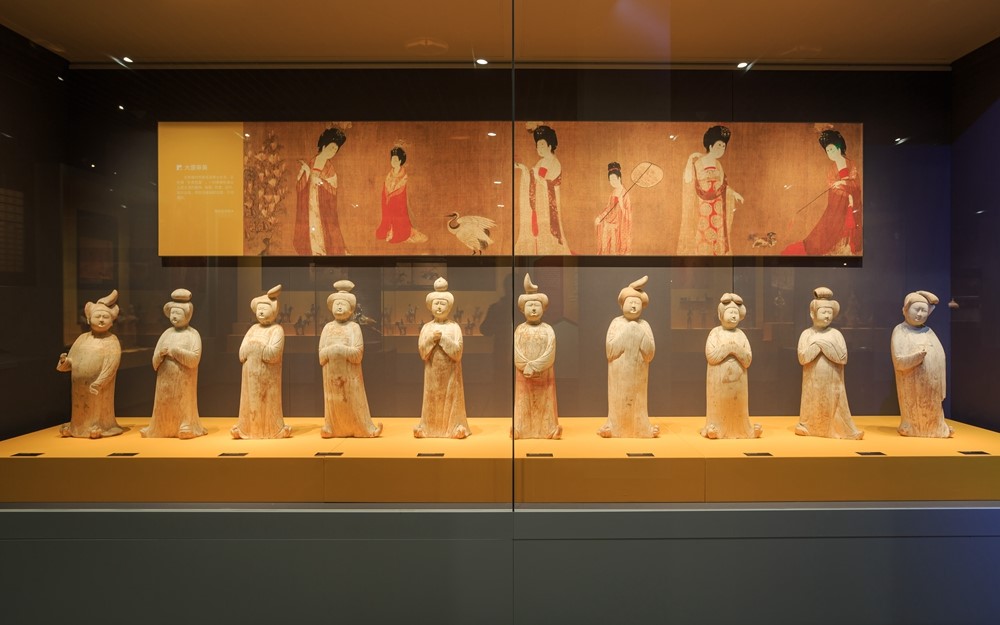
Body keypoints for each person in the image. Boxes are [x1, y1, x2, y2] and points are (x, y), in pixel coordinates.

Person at [782, 129, 863, 256]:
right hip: (837, 205)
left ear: (839, 148)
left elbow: (855, 184)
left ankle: (846, 249)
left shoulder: (850, 164)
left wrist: (843, 183)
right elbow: (832, 184)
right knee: (829, 228)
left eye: (832, 149)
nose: (830, 153)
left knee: (848, 230)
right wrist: (839, 185)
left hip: (851, 203)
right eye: (827, 151)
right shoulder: (832, 169)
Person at [794, 288, 862, 439]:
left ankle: (834, 428)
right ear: (812, 314)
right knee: (813, 403)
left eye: (830, 313)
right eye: (823, 312)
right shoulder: (806, 334)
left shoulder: (836, 334)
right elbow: (803, 358)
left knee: (832, 405)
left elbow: (843, 358)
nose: (827, 316)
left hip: (833, 381)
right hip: (812, 382)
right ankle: (809, 426)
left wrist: (824, 346)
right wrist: (817, 346)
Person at [56, 290, 124, 438]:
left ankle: (100, 426)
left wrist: (99, 382)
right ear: (88, 319)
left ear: (112, 322)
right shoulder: (82, 338)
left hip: (99, 387)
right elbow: (71, 362)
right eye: (97, 316)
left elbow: (111, 366)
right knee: (79, 407)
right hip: (79, 386)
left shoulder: (112, 340)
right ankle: (77, 427)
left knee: (97, 407)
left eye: (105, 317)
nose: (101, 320)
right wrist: (64, 361)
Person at [319, 280, 382, 438]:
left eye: (343, 304)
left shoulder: (354, 328)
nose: (339, 307)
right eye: (336, 304)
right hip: (331, 375)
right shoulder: (327, 328)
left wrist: (339, 350)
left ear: (351, 309)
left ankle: (361, 427)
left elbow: (357, 355)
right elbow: (321, 356)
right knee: (333, 400)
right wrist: (333, 351)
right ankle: (331, 427)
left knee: (352, 400)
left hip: (350, 376)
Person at [598, 276, 659, 438]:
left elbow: (650, 353)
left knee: (638, 401)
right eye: (630, 302)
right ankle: (614, 426)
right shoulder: (616, 323)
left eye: (637, 303)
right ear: (622, 305)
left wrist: (637, 332)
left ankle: (642, 427)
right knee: (618, 400)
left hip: (639, 375)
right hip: (619, 375)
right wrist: (629, 331)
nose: (633, 306)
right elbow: (610, 351)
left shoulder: (644, 325)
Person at [142, 289, 207, 439]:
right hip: (164, 380)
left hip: (184, 380)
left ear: (188, 315)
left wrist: (176, 352)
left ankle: (186, 425)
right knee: (163, 402)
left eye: (178, 313)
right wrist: (160, 354)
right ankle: (159, 426)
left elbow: (194, 360)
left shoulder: (192, 334)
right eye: (172, 313)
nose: (174, 316)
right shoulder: (166, 334)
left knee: (183, 402)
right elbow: (154, 362)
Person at [414, 278, 471, 438]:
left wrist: (443, 339)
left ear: (449, 307)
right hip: (432, 373)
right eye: (436, 303)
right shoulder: (427, 327)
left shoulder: (454, 327)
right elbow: (422, 352)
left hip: (451, 375)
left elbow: (458, 353)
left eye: (442, 304)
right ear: (430, 306)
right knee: (431, 399)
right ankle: (428, 427)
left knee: (451, 400)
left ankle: (454, 427)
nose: (439, 307)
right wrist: (432, 339)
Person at [232, 285, 291, 439]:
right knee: (249, 402)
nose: (261, 312)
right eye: (259, 309)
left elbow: (274, 354)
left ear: (274, 311)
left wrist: (255, 347)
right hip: (250, 376)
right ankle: (246, 428)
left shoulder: (277, 330)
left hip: (268, 377)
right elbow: (241, 354)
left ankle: (271, 429)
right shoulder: (252, 329)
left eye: (265, 309)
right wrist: (255, 348)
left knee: (268, 403)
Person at [891, 290, 953, 437]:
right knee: (914, 408)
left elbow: (940, 355)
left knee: (932, 406)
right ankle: (912, 427)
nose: (919, 314)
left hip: (932, 384)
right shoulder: (900, 331)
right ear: (905, 310)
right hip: (912, 383)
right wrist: (916, 358)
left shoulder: (928, 331)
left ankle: (937, 427)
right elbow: (898, 361)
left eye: (924, 311)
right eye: (916, 309)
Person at [701, 293, 761, 439]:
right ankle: (715, 427)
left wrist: (735, 349)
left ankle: (743, 429)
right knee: (720, 404)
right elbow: (711, 356)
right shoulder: (715, 333)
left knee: (738, 405)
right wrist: (730, 348)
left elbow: (747, 360)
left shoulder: (741, 335)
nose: (734, 316)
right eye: (730, 312)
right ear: (720, 315)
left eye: (736, 313)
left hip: (739, 382)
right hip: (718, 381)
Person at [678, 125, 744, 255]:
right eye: (719, 145)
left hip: (718, 208)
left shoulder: (718, 164)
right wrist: (690, 159)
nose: (721, 149)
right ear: (710, 145)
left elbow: (723, 186)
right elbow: (688, 180)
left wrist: (734, 193)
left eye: (723, 146)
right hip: (703, 208)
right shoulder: (698, 162)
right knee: (703, 235)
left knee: (718, 236)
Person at [513, 274, 561, 439]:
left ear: (543, 309)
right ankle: (521, 429)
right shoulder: (520, 330)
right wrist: (524, 366)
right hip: (524, 375)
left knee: (545, 401)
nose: (533, 309)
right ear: (522, 309)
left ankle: (549, 429)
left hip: (544, 375)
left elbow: (550, 352)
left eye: (536, 305)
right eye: (530, 305)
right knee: (524, 401)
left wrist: (534, 366)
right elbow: (517, 351)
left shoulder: (548, 329)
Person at [515, 124, 571, 255]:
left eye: (542, 145)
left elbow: (549, 182)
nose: (539, 148)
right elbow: (533, 179)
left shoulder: (554, 163)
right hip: (540, 203)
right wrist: (524, 169)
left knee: (548, 230)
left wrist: (536, 176)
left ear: (550, 146)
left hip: (549, 204)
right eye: (537, 146)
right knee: (538, 229)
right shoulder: (540, 163)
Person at [294, 127, 348, 255]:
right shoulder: (312, 162)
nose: (333, 152)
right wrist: (306, 172)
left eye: (335, 150)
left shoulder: (330, 168)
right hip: (309, 201)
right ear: (324, 146)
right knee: (310, 224)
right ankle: (314, 250)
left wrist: (322, 183)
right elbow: (300, 184)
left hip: (323, 204)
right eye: (331, 148)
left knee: (323, 226)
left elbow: (333, 188)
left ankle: (323, 250)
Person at [375, 145, 427, 244]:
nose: (393, 162)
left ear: (400, 161)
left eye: (395, 160)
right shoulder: (389, 174)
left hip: (398, 205)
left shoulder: (404, 176)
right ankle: (388, 230)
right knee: (381, 231)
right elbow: (385, 188)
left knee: (396, 214)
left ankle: (397, 232)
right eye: (392, 159)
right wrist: (387, 196)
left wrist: (393, 198)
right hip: (388, 201)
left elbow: (402, 191)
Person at [595, 161, 633, 255]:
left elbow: (629, 216)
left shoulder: (625, 194)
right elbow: (608, 209)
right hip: (609, 224)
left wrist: (621, 204)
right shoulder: (613, 193)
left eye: (614, 179)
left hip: (619, 227)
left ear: (619, 178)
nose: (613, 182)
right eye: (611, 180)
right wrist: (600, 217)